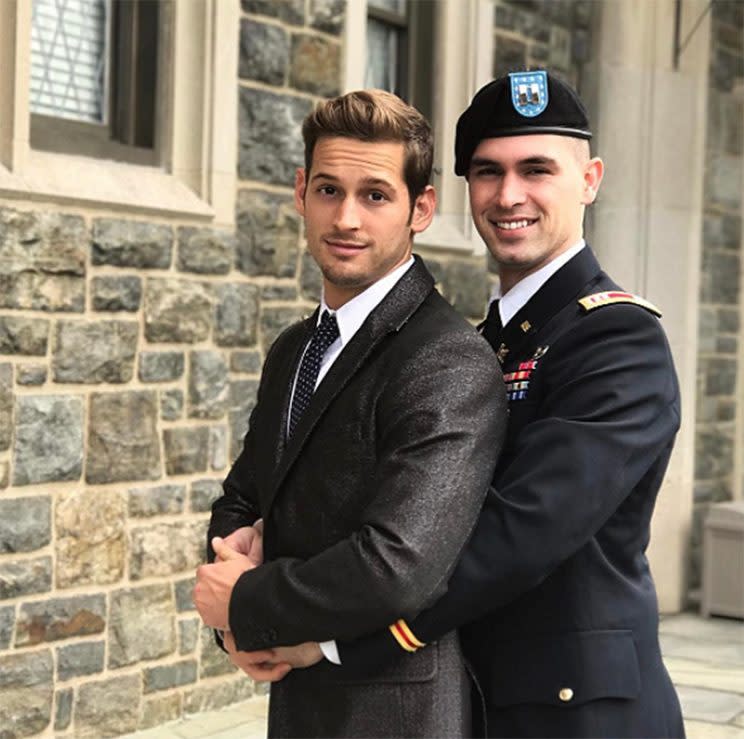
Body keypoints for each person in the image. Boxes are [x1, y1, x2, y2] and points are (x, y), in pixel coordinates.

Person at [247, 70, 686, 738]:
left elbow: (513, 538)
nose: (510, 195)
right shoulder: (481, 343)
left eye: (537, 169)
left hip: (577, 715)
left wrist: (333, 638)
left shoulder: (617, 340)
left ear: (590, 178)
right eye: (488, 172)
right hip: (473, 698)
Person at [193, 89, 506, 738]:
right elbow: (244, 496)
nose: (347, 219)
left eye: (375, 195)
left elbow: (398, 565)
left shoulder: (448, 360)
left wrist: (247, 602)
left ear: (421, 208)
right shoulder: (293, 350)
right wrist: (238, 608)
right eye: (329, 190)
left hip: (394, 712)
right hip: (297, 700)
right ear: (301, 191)